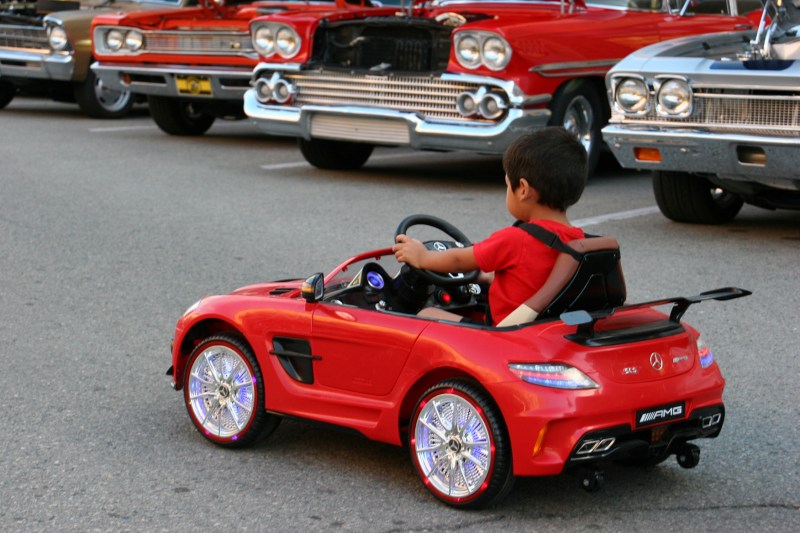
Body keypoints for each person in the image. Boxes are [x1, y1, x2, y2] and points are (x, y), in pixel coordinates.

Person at [392, 127, 587, 326]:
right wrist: (489, 278)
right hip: (546, 331)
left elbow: (459, 260)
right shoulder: (580, 242)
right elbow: (533, 280)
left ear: (523, 190)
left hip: (502, 337)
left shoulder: (515, 239)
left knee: (427, 314)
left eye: (507, 185)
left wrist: (422, 256)